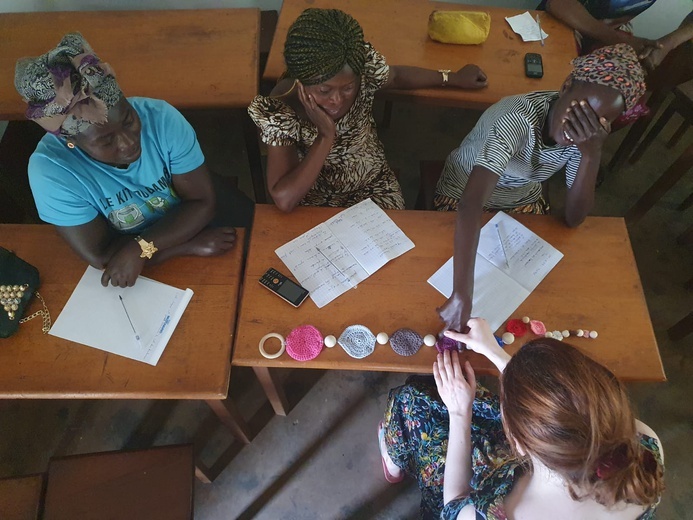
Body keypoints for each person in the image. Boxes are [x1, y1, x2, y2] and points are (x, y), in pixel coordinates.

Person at [434, 44, 646, 334]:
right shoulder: (515, 118)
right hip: (462, 192)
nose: (577, 130)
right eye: (579, 111)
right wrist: (462, 294)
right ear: (566, 85)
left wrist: (591, 154)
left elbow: (574, 218)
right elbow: (469, 206)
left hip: (522, 197)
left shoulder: (585, 140)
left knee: (536, 292)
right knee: (446, 268)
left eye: (596, 123)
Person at [15, 33, 254, 288]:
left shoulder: (162, 118)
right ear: (70, 141)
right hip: (177, 241)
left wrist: (139, 249)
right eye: (107, 141)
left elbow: (201, 203)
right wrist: (183, 247)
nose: (129, 142)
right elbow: (102, 254)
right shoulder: (51, 173)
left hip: (186, 225)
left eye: (129, 120)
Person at [378, 318, 665, 519]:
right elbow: (566, 407)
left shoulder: (498, 511)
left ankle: (395, 460)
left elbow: (453, 506)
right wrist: (495, 352)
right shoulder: (643, 446)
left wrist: (458, 412)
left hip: (479, 483)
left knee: (413, 401)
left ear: (517, 442)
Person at [248, 8, 488, 212]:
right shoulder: (281, 109)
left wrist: (451, 77)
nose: (337, 100)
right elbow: (284, 198)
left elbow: (397, 77)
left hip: (373, 183)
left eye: (348, 88)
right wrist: (325, 136)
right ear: (301, 80)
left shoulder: (363, 68)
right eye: (324, 91)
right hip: (313, 198)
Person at [539, 0, 693, 72]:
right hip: (550, 30)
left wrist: (667, 44)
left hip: (601, 37)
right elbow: (559, 3)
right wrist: (619, 40)